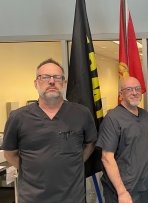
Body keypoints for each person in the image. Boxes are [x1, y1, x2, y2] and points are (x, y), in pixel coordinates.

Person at [2, 58, 97, 203]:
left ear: (64, 83)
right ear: (36, 83)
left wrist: (74, 163)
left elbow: (90, 144)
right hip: (33, 198)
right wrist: (33, 169)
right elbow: (9, 154)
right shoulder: (18, 117)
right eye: (45, 77)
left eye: (57, 77)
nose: (51, 81)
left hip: (72, 197)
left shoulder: (82, 114)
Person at [96, 77, 148, 203]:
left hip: (144, 186)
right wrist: (121, 191)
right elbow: (107, 157)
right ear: (121, 94)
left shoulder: (146, 116)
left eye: (137, 89)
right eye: (129, 89)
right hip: (122, 190)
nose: (134, 92)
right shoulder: (112, 119)